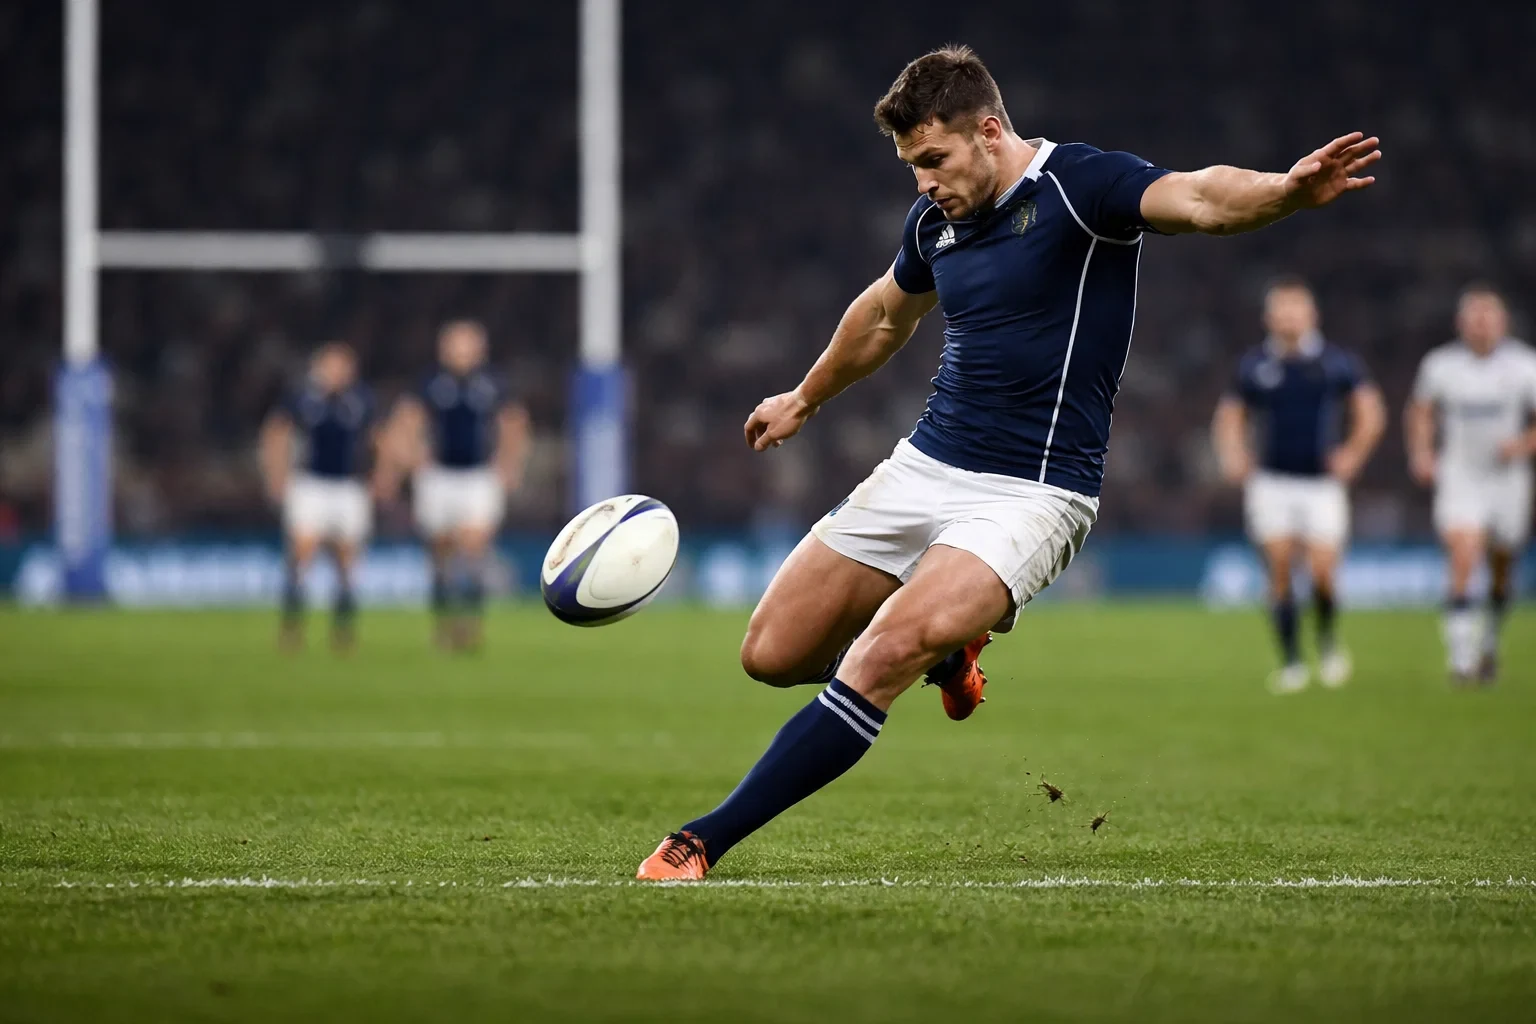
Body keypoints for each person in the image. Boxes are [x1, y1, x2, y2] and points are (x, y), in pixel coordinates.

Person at [637, 45, 1381, 880]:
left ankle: (703, 838)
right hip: (927, 464)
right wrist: (805, 397)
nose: (922, 182)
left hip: (1034, 490)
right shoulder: (933, 223)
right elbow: (886, 315)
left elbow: (1202, 196)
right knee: (770, 653)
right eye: (912, 166)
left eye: (934, 160)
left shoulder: (1083, 185)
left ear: (989, 132)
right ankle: (951, 654)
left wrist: (1284, 191)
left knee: (881, 654)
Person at [1211, 278, 1385, 694]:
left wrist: (1352, 455)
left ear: (1312, 315)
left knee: (1324, 574)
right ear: (1268, 317)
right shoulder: (1254, 366)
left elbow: (1370, 411)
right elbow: (1230, 415)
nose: (1289, 317)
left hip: (1321, 485)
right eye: (1282, 309)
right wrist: (1233, 455)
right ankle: (1291, 662)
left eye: (1296, 309)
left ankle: (1326, 643)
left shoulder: (1335, 362)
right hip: (1270, 482)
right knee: (1281, 569)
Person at [1405, 285, 1536, 684]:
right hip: (1461, 473)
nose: (1481, 324)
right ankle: (1461, 659)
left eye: (1488, 316)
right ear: (1460, 323)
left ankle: (1490, 642)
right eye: (1473, 316)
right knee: (1463, 553)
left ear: (1502, 321)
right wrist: (1422, 453)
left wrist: (1523, 445)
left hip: (1507, 478)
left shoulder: (1525, 364)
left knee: (1501, 563)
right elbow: (1421, 412)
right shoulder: (1440, 365)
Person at [378, 320, 529, 650]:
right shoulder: (430, 383)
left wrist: (508, 465)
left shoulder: (493, 383)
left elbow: (513, 423)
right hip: (439, 477)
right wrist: (406, 461)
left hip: (478, 477)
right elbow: (406, 421)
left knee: (474, 548)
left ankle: (471, 625)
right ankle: (443, 624)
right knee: (441, 552)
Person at [258, 342, 376, 650]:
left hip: (350, 487)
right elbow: (275, 432)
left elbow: (380, 439)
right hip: (309, 484)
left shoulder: (362, 400)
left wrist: (381, 478)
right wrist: (277, 476)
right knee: (302, 551)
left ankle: (343, 629)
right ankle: (292, 627)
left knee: (346, 560)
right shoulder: (301, 400)